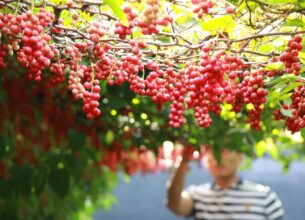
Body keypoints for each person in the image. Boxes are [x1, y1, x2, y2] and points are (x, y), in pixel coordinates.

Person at [166, 146, 285, 220]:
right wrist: (183, 163)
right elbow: (175, 205)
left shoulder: (264, 196)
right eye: (213, 152)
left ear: (240, 157)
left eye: (226, 151)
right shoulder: (198, 195)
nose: (219, 158)